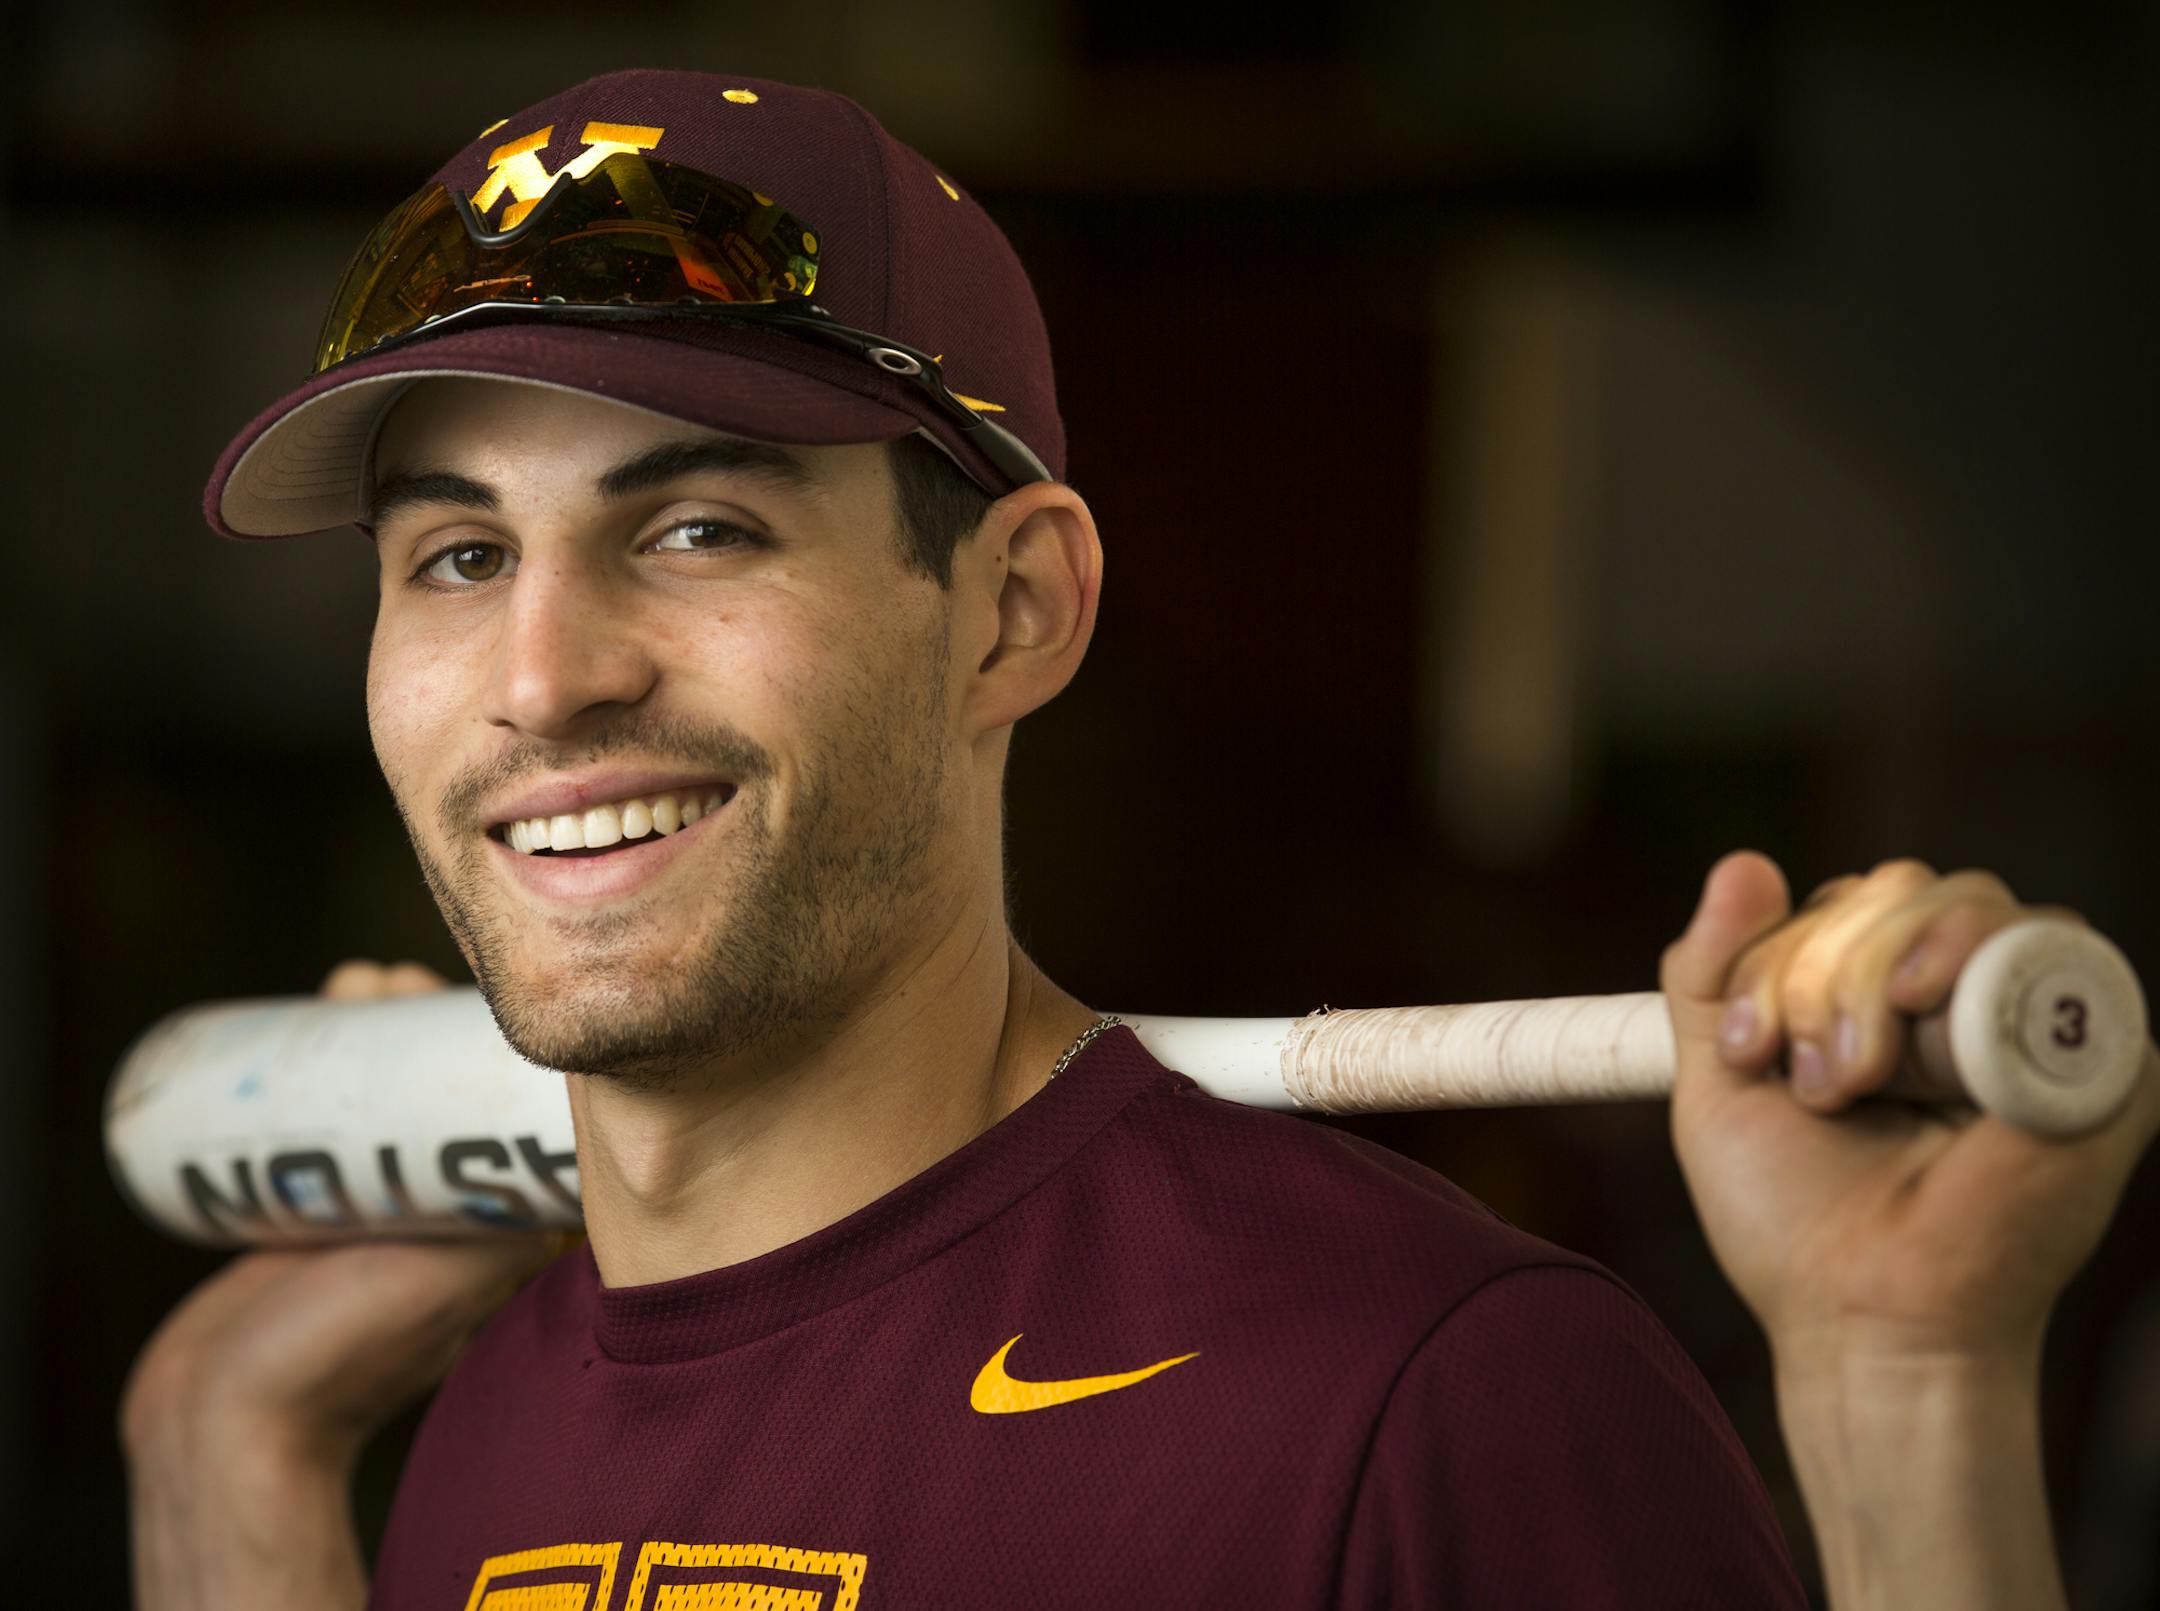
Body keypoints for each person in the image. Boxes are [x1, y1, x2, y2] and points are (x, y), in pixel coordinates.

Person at [119, 69, 2156, 1609]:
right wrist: (224, 1432)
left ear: (1015, 608)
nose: (544, 674)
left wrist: (1909, 1390)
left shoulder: (1431, 1391)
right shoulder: (480, 1416)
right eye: (459, 552)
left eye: (696, 525)